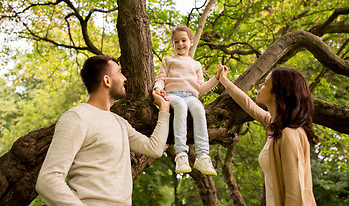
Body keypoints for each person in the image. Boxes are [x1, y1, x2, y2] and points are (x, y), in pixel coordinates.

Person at [36, 55, 170, 206]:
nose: (125, 78)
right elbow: (48, 180)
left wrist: (164, 109)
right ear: (107, 80)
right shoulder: (77, 117)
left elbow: (155, 148)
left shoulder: (120, 123)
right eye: (120, 73)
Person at [218, 66, 318, 206]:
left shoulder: (289, 134)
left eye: (265, 83)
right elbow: (249, 105)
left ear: (278, 93)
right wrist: (223, 80)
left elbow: (295, 196)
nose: (260, 85)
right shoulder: (273, 124)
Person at [154, 25, 221, 176]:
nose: (180, 44)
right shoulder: (168, 60)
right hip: (173, 95)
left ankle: (203, 155)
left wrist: (216, 78)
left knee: (198, 109)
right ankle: (181, 154)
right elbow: (161, 78)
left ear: (191, 42)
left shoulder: (196, 64)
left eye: (183, 40)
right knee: (180, 106)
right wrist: (158, 88)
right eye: (176, 41)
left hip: (191, 96)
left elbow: (200, 89)